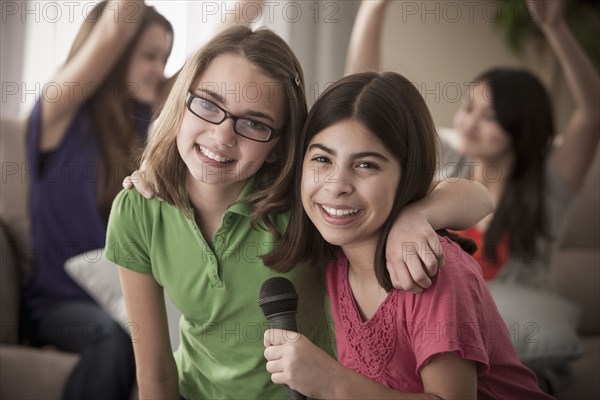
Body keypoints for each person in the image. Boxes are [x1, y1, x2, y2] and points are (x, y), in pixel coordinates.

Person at [109, 24, 495, 398]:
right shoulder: (138, 208)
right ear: (183, 102)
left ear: (278, 145)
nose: (222, 136)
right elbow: (155, 371)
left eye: (254, 123)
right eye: (209, 104)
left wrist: (418, 215)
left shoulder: (307, 200)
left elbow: (476, 196)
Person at [263, 71, 553, 399]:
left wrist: (333, 382)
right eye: (321, 158)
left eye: (366, 165)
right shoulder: (335, 252)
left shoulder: (432, 270)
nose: (336, 185)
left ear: (407, 176)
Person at [345, 0, 600, 289]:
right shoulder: (446, 157)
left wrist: (555, 29)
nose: (470, 123)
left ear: (522, 127)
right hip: (445, 317)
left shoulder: (549, 182)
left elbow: (592, 112)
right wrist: (373, 8)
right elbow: (366, 104)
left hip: (517, 325)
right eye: (468, 108)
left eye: (489, 116)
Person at [24, 1, 174, 399]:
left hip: (122, 298)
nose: (159, 71)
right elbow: (112, 28)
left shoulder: (137, 124)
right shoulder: (60, 109)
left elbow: (205, 70)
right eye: (149, 56)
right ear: (118, 53)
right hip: (59, 304)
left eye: (165, 58)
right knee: (113, 338)